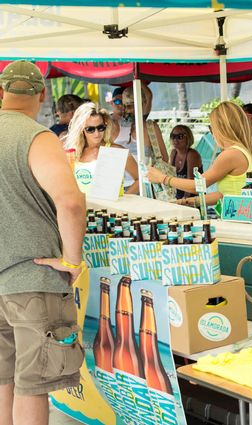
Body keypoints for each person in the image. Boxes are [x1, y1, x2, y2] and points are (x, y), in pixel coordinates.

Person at [0, 60, 86, 425]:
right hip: (31, 281)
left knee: (4, 376)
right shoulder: (37, 137)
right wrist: (71, 260)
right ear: (42, 93)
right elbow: (70, 202)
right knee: (32, 384)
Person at [146, 101, 252, 207]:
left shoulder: (231, 154)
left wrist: (163, 178)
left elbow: (198, 186)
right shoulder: (241, 151)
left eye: (211, 127)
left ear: (221, 128)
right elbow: (223, 195)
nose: (212, 133)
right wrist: (186, 202)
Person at [65, 102, 139, 195]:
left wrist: (123, 200)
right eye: (90, 129)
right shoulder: (72, 154)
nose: (97, 134)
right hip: (83, 208)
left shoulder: (117, 151)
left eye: (100, 127)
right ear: (81, 129)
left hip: (111, 209)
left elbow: (140, 179)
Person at [121, 84, 169, 164]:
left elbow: (164, 158)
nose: (128, 110)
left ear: (143, 104)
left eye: (132, 105)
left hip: (144, 175)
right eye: (126, 106)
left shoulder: (151, 127)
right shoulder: (118, 126)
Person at [168, 124, 202, 199]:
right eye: (173, 136)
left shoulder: (192, 155)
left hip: (194, 199)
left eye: (180, 136)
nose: (175, 139)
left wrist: (184, 200)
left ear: (188, 138)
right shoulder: (173, 153)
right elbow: (170, 175)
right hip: (178, 197)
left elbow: (191, 183)